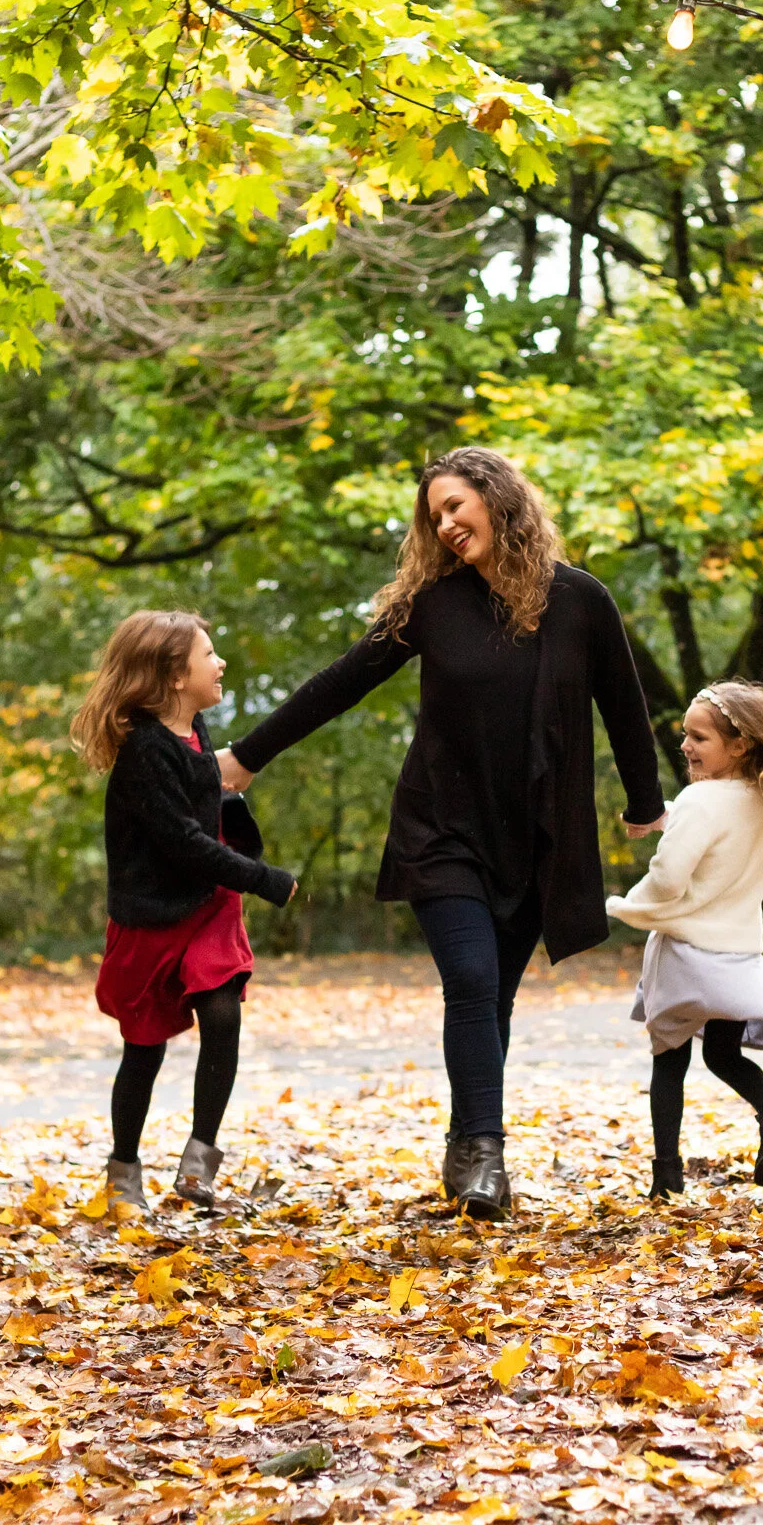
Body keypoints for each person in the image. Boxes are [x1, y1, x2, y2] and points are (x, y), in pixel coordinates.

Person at [218, 447, 664, 1220]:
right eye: (435, 517)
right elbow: (341, 681)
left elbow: (623, 706)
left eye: (457, 506)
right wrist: (246, 757)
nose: (448, 524)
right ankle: (488, 1157)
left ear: (498, 499)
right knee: (471, 980)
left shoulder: (581, 601)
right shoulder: (434, 605)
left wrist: (645, 802)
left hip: (535, 836)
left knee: (494, 1003)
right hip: (441, 828)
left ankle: (465, 1142)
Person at [72, 610, 297, 1214]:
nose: (220, 663)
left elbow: (209, 815)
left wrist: (234, 814)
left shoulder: (196, 735)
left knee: (222, 1014)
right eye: (209, 654)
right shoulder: (145, 749)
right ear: (175, 674)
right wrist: (264, 879)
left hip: (208, 907)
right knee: (144, 1049)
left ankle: (200, 1163)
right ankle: (123, 1168)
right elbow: (182, 842)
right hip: (153, 915)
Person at [606, 680, 763, 1199]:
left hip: (686, 957)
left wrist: (626, 906)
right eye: (685, 735)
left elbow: (669, 877)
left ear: (739, 746)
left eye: (700, 737)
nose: (686, 744)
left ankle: (667, 1175)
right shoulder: (757, 798)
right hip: (734, 959)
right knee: (724, 1056)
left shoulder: (699, 799)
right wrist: (667, 818)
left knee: (670, 1060)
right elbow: (712, 833)